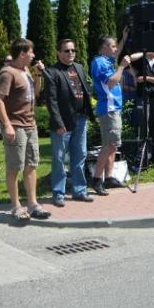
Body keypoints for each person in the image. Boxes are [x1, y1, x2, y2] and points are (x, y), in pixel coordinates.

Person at [0, 38, 51, 221]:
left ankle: (33, 204)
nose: (33, 55)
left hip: (30, 125)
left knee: (31, 165)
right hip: (16, 126)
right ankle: (16, 206)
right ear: (22, 54)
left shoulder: (25, 71)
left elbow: (35, 92)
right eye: (30, 52)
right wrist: (7, 125)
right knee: (14, 167)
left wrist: (38, 74)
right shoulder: (7, 73)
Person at [44, 39, 95, 207]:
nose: (71, 53)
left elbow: (85, 91)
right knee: (59, 158)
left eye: (73, 50)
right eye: (66, 50)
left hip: (81, 119)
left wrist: (88, 112)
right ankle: (58, 193)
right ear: (58, 53)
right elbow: (51, 101)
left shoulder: (79, 67)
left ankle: (79, 191)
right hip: (63, 123)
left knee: (80, 155)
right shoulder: (52, 72)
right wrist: (58, 123)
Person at [90, 31, 136, 195]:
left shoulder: (107, 60)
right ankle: (97, 179)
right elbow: (110, 82)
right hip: (108, 109)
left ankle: (108, 178)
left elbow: (117, 54)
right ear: (104, 47)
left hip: (113, 108)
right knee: (109, 145)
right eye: (113, 46)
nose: (116, 49)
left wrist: (124, 38)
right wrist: (122, 67)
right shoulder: (99, 62)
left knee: (112, 145)